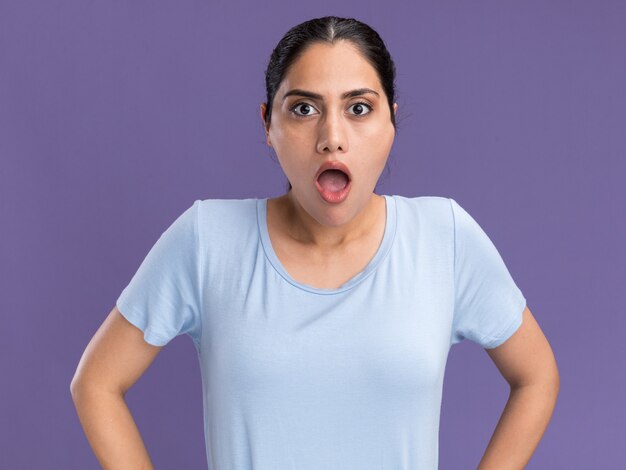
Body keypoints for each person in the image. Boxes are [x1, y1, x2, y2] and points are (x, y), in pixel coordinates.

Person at [70, 15, 559, 470]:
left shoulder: (444, 236)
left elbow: (536, 376)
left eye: (358, 108)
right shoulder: (208, 239)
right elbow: (96, 383)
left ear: (390, 120)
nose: (332, 137)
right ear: (268, 125)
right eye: (304, 109)